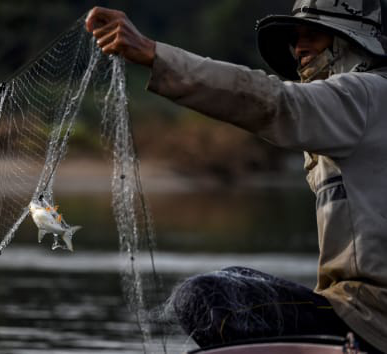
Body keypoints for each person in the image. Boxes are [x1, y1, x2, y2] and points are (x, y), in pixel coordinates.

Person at [86, 1, 387, 353]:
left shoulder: (368, 94)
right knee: (236, 281)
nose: (299, 49)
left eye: (314, 37)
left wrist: (154, 54)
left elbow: (274, 100)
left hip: (370, 321)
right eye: (296, 39)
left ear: (353, 43)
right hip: (354, 315)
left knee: (206, 298)